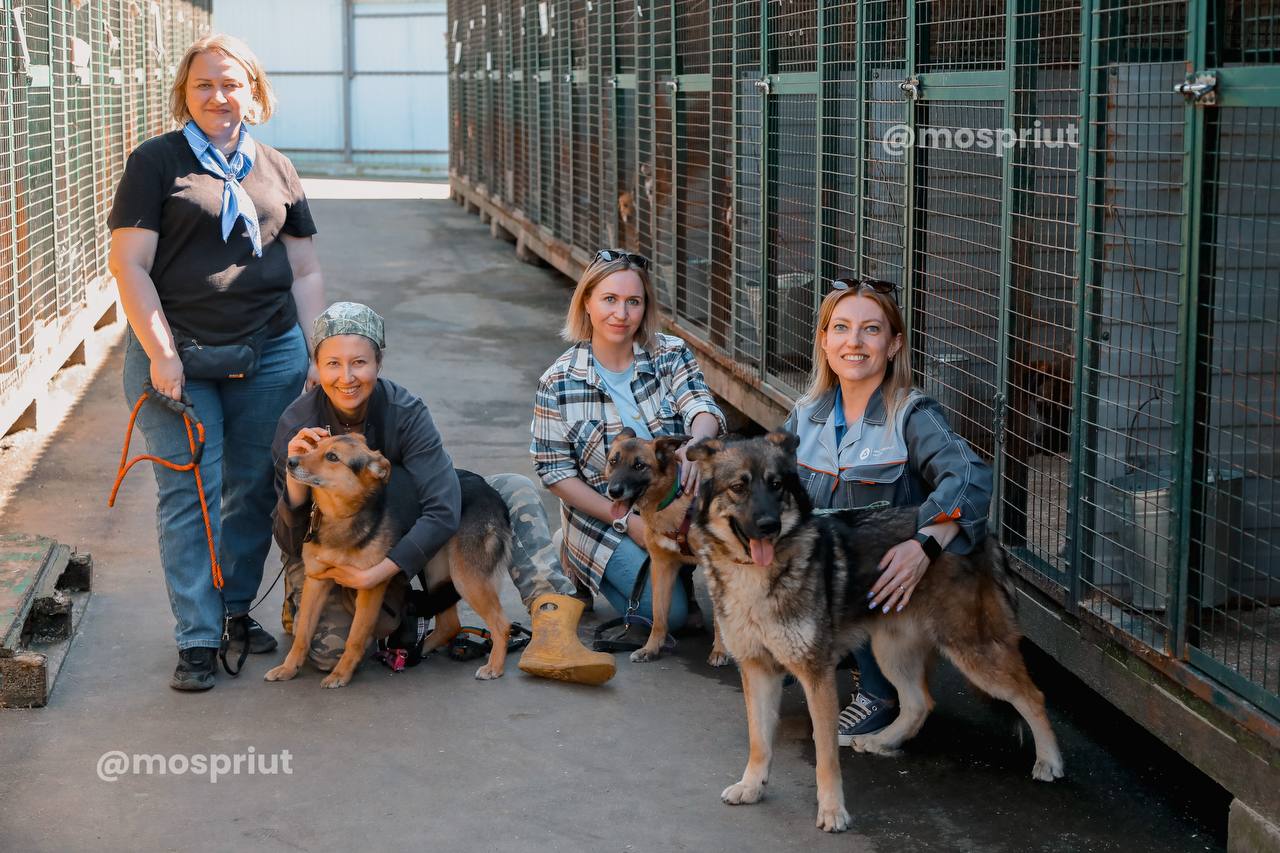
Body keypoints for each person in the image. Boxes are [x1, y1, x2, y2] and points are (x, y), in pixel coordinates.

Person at [108, 34, 325, 691]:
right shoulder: (156, 163)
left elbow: (306, 267)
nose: (218, 95)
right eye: (204, 84)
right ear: (185, 93)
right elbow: (130, 265)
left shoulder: (277, 167)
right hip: (178, 357)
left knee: (256, 489)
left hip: (271, 351)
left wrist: (318, 350)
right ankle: (197, 637)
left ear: (254, 92)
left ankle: (234, 612)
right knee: (189, 494)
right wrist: (163, 355)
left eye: (231, 83)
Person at [273, 302, 616, 685]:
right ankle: (401, 615)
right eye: (333, 363)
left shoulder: (406, 411)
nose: (347, 377)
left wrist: (382, 572)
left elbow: (442, 508)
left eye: (360, 362)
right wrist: (294, 481)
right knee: (329, 652)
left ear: (378, 364)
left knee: (514, 490)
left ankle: (553, 625)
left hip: (413, 522)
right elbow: (287, 539)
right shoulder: (297, 423)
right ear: (316, 368)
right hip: (344, 537)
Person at [781, 277, 992, 745]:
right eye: (841, 328)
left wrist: (925, 545)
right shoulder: (806, 412)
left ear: (894, 344)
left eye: (870, 330)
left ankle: (878, 692)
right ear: (823, 339)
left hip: (891, 582)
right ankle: (823, 654)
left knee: (873, 563)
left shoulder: (911, 414)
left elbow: (971, 478)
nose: (854, 342)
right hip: (828, 576)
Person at [531, 250, 726, 637]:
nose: (621, 313)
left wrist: (693, 447)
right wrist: (623, 519)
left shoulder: (670, 353)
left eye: (633, 302)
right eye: (610, 300)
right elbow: (554, 473)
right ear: (586, 302)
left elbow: (703, 408)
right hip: (605, 514)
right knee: (670, 620)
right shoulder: (557, 382)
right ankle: (571, 550)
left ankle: (675, 567)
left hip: (675, 508)